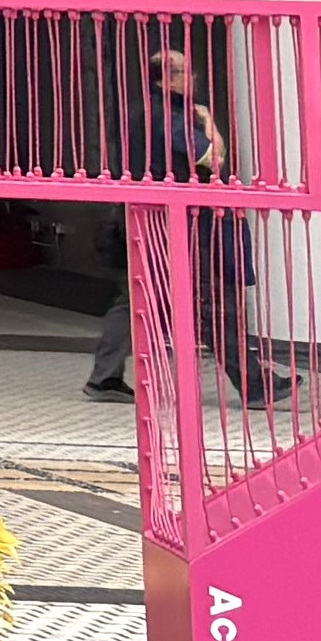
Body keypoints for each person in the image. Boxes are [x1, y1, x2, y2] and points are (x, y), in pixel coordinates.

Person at [85, 40, 290, 406]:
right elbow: (214, 158)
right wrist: (209, 120)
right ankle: (255, 384)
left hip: (143, 216)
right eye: (184, 71)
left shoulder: (139, 112)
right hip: (182, 222)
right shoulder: (173, 117)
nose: (192, 77)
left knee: (135, 297)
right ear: (165, 81)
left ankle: (104, 377)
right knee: (212, 301)